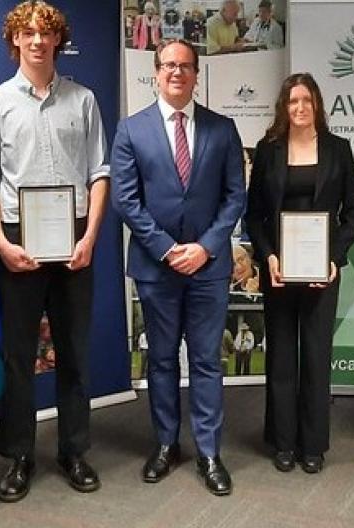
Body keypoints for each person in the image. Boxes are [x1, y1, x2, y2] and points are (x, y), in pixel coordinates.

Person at [0, 0, 110, 503]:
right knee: (18, 355)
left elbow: (99, 173)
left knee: (75, 350)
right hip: (18, 235)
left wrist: (91, 237)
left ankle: (74, 451)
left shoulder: (83, 100)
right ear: (15, 41)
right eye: (27, 34)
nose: (36, 41)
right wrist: (1, 241)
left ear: (58, 41)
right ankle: (20, 456)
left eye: (45, 34)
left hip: (75, 234)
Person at [111, 37, 246, 496]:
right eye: (168, 65)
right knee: (163, 359)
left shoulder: (223, 129)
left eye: (185, 66)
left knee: (207, 361)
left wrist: (205, 248)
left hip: (208, 268)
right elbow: (125, 200)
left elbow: (235, 198)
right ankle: (166, 444)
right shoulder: (131, 130)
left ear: (196, 75)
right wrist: (169, 249)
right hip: (157, 267)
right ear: (155, 73)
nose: (176, 73)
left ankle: (210, 452)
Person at [244, 72, 354, 473]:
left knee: (315, 355)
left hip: (322, 272)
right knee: (280, 357)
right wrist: (268, 256)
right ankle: (283, 442)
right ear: (284, 106)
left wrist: (334, 259)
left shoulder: (338, 149)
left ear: (317, 105)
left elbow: (353, 213)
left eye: (306, 101)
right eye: (293, 101)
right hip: (279, 271)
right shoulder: (268, 149)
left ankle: (313, 444)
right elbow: (254, 215)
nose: (299, 108)